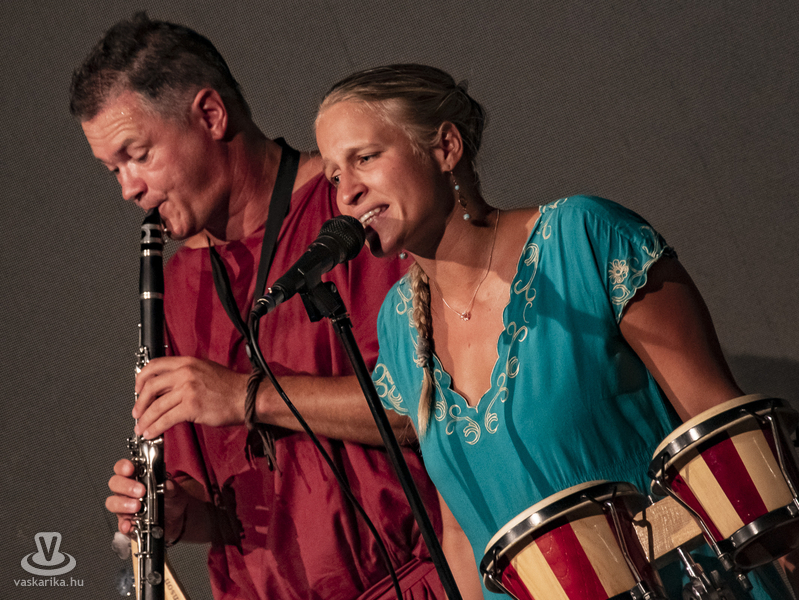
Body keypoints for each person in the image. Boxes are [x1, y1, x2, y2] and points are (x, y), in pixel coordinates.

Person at [314, 64, 798, 599]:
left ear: (446, 147)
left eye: (364, 158)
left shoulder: (585, 238)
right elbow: (461, 532)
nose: (346, 194)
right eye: (334, 176)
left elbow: (721, 425)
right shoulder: (399, 324)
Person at [70, 16, 446, 600]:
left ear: (211, 115)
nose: (129, 188)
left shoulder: (353, 213)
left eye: (137, 155)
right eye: (113, 169)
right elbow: (227, 513)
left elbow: (422, 407)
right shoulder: (178, 285)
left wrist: (247, 395)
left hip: (414, 583)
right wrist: (180, 515)